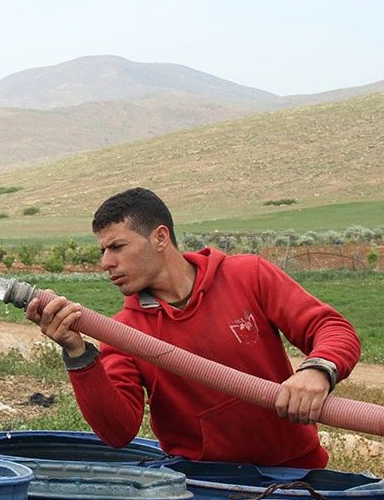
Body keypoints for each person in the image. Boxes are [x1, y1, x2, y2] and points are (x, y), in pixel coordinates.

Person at [26, 188, 360, 468]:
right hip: (203, 486)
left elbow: (330, 326)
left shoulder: (247, 276)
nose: (106, 263)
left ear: (160, 237)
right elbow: (118, 431)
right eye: (102, 251)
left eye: (117, 247)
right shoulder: (124, 332)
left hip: (298, 473)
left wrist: (318, 370)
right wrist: (76, 351)